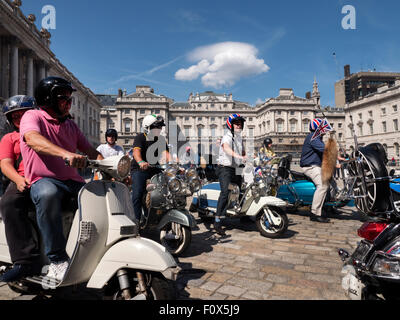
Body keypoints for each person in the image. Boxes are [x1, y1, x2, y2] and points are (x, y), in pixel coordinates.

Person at [20, 77, 103, 282]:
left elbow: (91, 151)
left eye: (70, 99)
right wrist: (66, 154)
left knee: (100, 195)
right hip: (43, 179)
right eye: (63, 98)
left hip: (71, 181)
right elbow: (33, 139)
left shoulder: (70, 126)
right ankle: (56, 260)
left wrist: (115, 169)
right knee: (48, 194)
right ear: (48, 99)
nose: (69, 103)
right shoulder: (33, 116)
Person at [0, 95, 41, 282]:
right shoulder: (9, 138)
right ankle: (25, 261)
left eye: (23, 115)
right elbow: (5, 163)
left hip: (46, 178)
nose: (19, 119)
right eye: (15, 116)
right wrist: (17, 179)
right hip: (22, 178)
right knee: (9, 203)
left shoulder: (43, 134)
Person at [130, 115, 171, 221]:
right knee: (138, 194)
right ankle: (136, 221)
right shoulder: (140, 137)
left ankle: (159, 218)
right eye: (156, 127)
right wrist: (140, 161)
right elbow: (136, 152)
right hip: (140, 169)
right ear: (147, 127)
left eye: (160, 127)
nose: (159, 129)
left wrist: (175, 163)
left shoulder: (161, 139)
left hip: (155, 169)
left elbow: (166, 154)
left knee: (164, 193)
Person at [214, 114, 247, 235]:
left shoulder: (239, 138)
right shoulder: (226, 136)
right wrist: (238, 156)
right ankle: (217, 220)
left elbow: (243, 151)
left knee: (242, 189)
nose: (239, 125)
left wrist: (248, 157)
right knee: (225, 192)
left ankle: (243, 214)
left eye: (240, 123)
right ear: (230, 124)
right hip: (225, 168)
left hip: (236, 167)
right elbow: (227, 148)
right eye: (236, 123)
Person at [300, 118, 330, 223]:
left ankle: (328, 206)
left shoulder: (316, 138)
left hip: (316, 165)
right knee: (322, 185)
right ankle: (315, 213)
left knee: (331, 182)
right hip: (310, 166)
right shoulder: (314, 137)